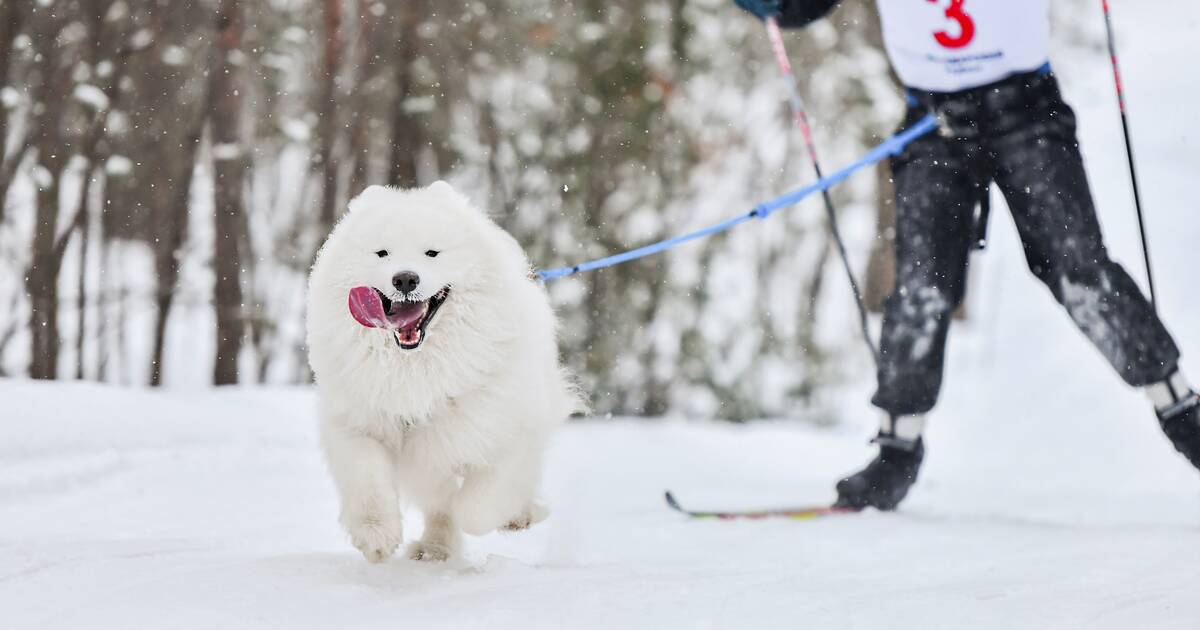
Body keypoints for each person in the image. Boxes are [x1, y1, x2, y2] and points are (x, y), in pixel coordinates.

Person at [733, 0, 1200, 509]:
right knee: (921, 289)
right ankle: (896, 451)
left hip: (1026, 109)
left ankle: (1183, 415)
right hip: (933, 118)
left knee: (1079, 271)